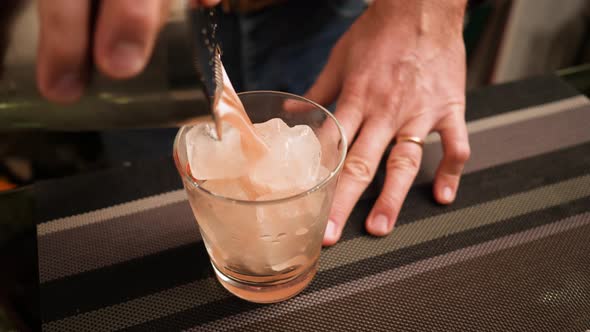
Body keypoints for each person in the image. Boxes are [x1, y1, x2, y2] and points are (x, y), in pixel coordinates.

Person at [36, 0, 471, 246]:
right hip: (147, 24)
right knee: (137, 231)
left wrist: (427, 12)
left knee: (319, 185)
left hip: (329, 21)